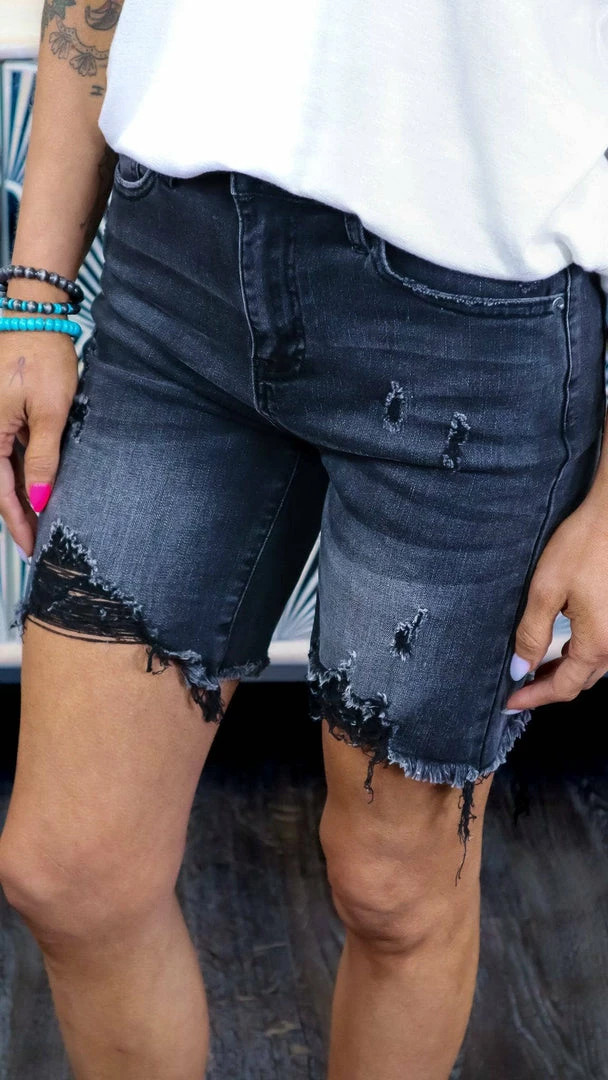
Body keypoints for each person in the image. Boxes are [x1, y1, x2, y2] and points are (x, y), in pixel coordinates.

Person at [0, 0, 607, 1077]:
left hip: (478, 314)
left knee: (393, 891)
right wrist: (34, 296)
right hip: (176, 263)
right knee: (71, 870)